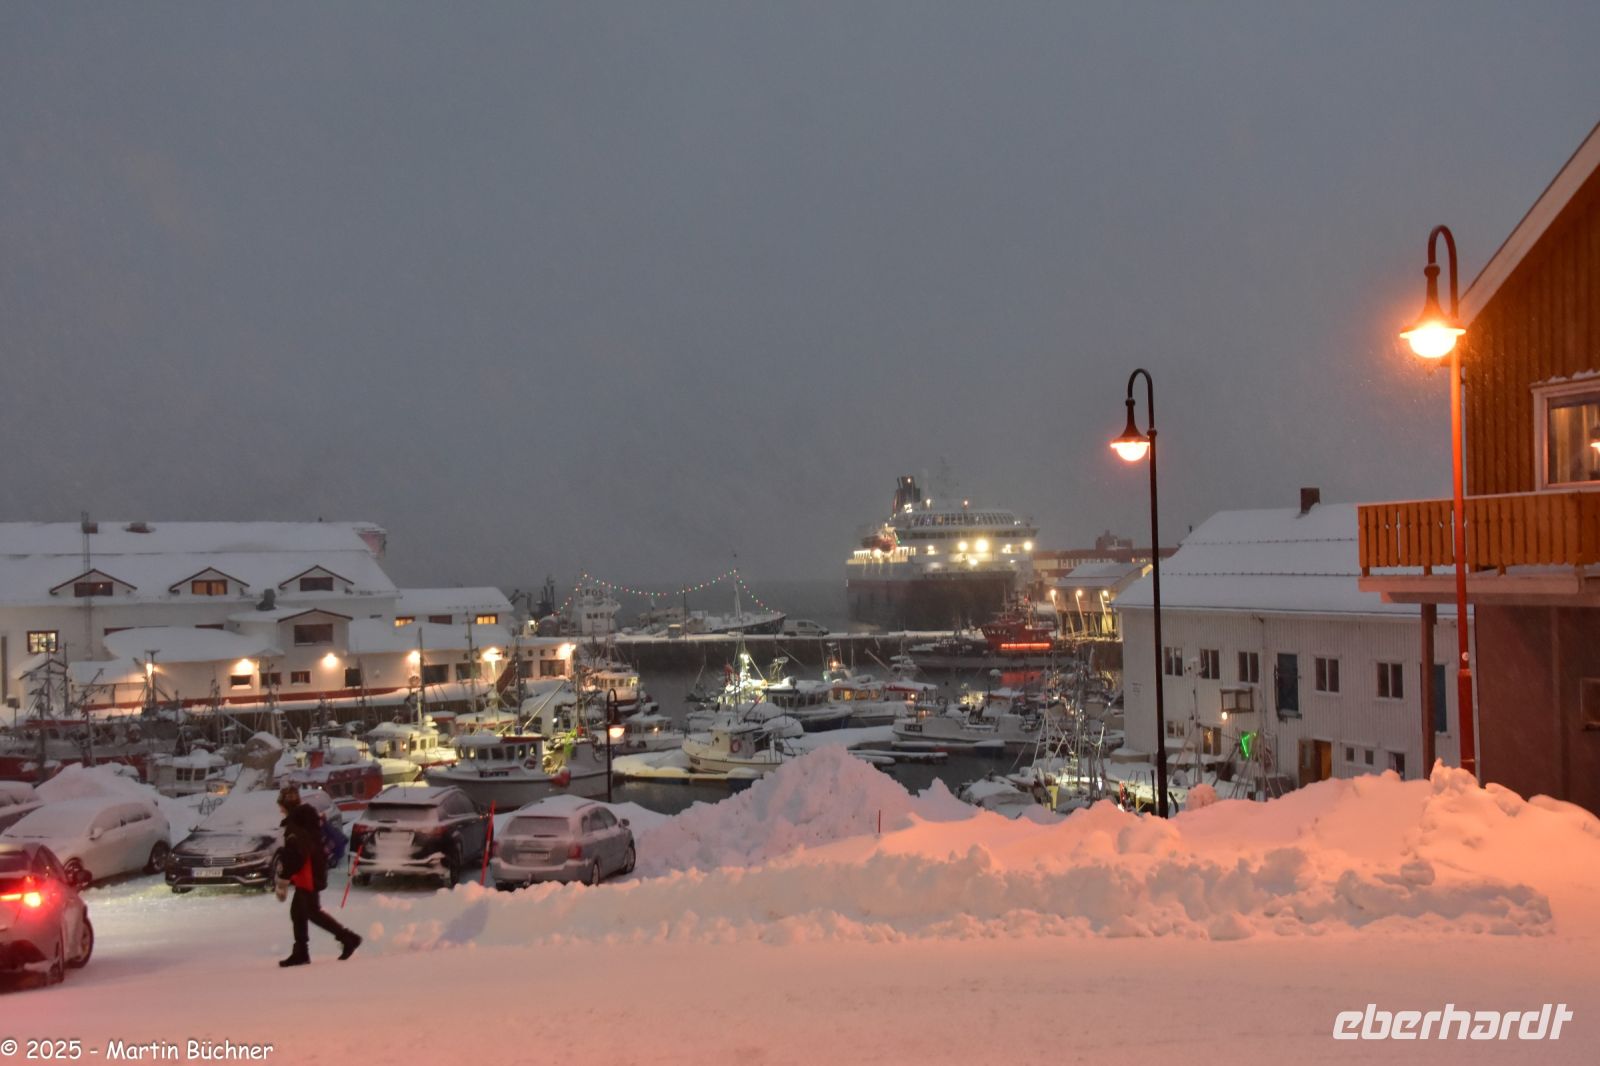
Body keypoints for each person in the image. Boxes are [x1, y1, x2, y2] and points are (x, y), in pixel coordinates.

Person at [275, 786, 361, 967]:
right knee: (301, 912)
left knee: (308, 912)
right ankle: (302, 952)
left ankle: (347, 938)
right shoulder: (304, 819)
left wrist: (283, 878)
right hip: (313, 870)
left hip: (308, 874)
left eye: (280, 804)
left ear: (283, 805)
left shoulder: (296, 824)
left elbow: (297, 854)